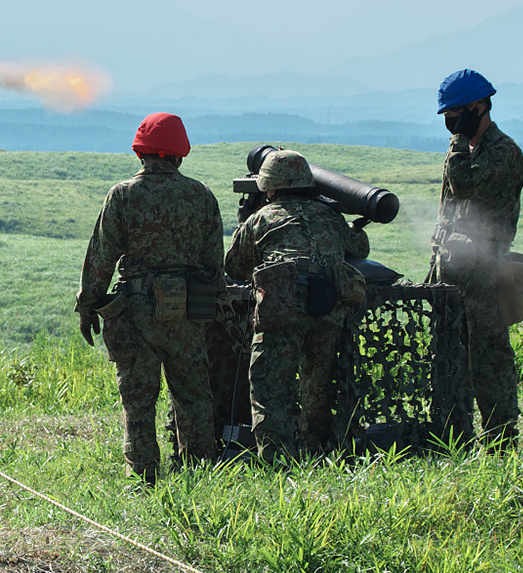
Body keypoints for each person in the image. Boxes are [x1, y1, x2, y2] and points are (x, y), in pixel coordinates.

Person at [75, 112, 223, 487]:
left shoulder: (123, 195)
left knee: (138, 400)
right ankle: (199, 474)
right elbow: (213, 265)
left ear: (140, 152)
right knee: (193, 397)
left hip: (136, 311)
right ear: (180, 154)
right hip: (188, 312)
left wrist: (88, 305)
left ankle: (142, 477)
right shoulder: (201, 194)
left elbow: (101, 255)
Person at [224, 149, 369, 463]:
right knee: (317, 389)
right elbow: (359, 247)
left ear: (270, 188)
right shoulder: (330, 217)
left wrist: (244, 223)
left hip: (281, 311)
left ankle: (277, 463)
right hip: (328, 309)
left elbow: (234, 267)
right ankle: (318, 455)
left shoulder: (262, 218)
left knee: (269, 389)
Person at [427, 69, 523, 450]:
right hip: (452, 268)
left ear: (478, 107)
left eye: (456, 114)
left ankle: (502, 437)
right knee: (449, 351)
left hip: (485, 272)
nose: (451, 123)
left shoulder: (503, 152)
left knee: (488, 355)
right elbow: (449, 206)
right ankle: (456, 434)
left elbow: (465, 184)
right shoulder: (465, 151)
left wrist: (457, 143)